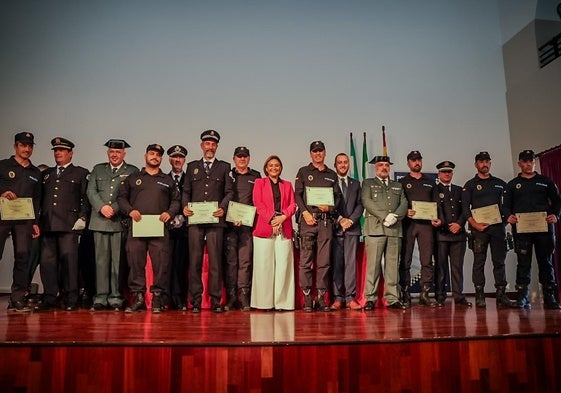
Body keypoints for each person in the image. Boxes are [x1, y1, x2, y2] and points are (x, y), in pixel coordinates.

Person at [118, 144, 180, 313]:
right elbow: (121, 198)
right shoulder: (133, 177)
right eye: (152, 153)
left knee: (161, 264)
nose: (155, 157)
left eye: (158, 155)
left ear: (161, 158)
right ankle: (138, 298)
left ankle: (158, 298)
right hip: (137, 227)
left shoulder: (167, 180)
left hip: (159, 228)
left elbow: (176, 201)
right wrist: (130, 211)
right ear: (145, 155)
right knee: (135, 263)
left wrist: (170, 212)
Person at [36, 137, 90, 311]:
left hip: (69, 225)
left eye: (62, 150)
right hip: (48, 224)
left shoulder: (80, 173)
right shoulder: (46, 174)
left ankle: (71, 297)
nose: (57, 153)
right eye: (55, 150)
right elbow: (39, 200)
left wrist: (82, 218)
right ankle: (50, 297)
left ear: (70, 153)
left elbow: (86, 199)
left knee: (70, 263)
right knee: (47, 263)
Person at [182, 130, 234, 313]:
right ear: (202, 145)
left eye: (213, 144)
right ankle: (195, 301)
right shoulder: (191, 166)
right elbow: (186, 191)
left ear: (217, 147)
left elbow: (229, 192)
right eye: (207, 143)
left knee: (215, 263)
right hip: (195, 221)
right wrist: (184, 207)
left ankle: (215, 301)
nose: (210, 147)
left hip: (215, 222)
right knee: (194, 261)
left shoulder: (225, 167)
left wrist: (223, 207)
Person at [504, 149, 561, 309]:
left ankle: (550, 297)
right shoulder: (512, 185)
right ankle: (522, 297)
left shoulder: (546, 181)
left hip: (543, 229)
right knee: (523, 263)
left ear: (534, 163)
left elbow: (557, 202)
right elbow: (506, 206)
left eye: (531, 161)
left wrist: (555, 215)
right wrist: (509, 216)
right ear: (519, 163)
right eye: (525, 161)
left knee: (546, 262)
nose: (528, 164)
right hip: (522, 231)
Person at [87, 139, 139, 311]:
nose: (114, 155)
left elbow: (131, 195)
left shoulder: (132, 171)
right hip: (100, 221)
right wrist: (102, 207)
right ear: (107, 153)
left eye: (118, 152)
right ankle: (100, 297)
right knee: (100, 261)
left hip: (118, 221)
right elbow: (91, 191)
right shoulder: (98, 169)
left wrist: (114, 208)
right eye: (111, 152)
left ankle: (116, 297)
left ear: (124, 154)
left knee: (117, 261)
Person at [462, 151, 513, 308]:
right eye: (481, 161)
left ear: (490, 163)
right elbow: (465, 209)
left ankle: (501, 295)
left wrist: (504, 223)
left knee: (500, 262)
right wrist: (474, 224)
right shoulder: (470, 185)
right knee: (479, 262)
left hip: (498, 229)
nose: (484, 164)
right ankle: (479, 295)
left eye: (487, 161)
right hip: (479, 230)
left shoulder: (500, 183)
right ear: (476, 164)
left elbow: (507, 206)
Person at [294, 140, 341, 312]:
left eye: (320, 151)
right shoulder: (303, 172)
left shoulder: (332, 174)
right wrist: (305, 213)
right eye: (315, 151)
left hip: (325, 222)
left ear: (325, 153)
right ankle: (307, 297)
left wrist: (330, 208)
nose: (318, 154)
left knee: (324, 262)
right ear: (311, 153)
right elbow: (297, 195)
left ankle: (321, 297)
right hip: (307, 222)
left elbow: (338, 199)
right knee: (305, 262)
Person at [0, 132, 41, 311]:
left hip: (24, 221)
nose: (27, 149)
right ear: (16, 146)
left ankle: (17, 298)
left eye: (30, 146)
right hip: (2, 218)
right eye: (23, 145)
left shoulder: (35, 172)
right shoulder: (2, 166)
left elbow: (37, 199)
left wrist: (35, 221)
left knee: (23, 257)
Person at [362, 155, 408, 310]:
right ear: (375, 167)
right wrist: (385, 216)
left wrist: (395, 216)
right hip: (375, 229)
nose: (384, 167)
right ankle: (370, 298)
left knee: (392, 266)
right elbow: (367, 202)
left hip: (394, 229)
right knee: (373, 267)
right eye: (380, 165)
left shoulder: (397, 185)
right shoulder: (368, 183)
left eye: (386, 165)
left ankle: (392, 298)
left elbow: (404, 203)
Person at [251, 155, 296, 310]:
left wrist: (282, 218)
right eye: (270, 165)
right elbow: (258, 203)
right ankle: (264, 303)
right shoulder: (259, 183)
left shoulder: (288, 185)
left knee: (284, 266)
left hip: (284, 228)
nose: (274, 168)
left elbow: (293, 204)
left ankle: (282, 303)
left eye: (277, 165)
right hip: (264, 228)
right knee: (264, 267)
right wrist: (272, 220)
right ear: (266, 168)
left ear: (280, 167)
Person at [398, 150, 437, 307]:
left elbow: (436, 204)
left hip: (426, 226)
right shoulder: (402, 182)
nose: (417, 163)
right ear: (408, 163)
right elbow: (399, 203)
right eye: (413, 160)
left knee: (426, 260)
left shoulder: (430, 181)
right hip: (409, 224)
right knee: (405, 260)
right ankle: (405, 292)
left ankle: (425, 293)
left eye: (419, 160)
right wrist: (405, 211)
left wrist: (436, 217)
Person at [224, 146, 260, 311]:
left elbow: (258, 201)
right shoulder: (228, 175)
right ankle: (231, 297)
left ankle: (244, 296)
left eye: (245, 156)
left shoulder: (256, 176)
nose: (242, 159)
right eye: (239, 156)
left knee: (245, 262)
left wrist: (247, 219)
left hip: (247, 226)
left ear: (249, 158)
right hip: (229, 226)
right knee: (231, 262)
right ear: (234, 159)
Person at [432, 161, 471, 307]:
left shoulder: (460, 190)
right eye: (444, 172)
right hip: (441, 235)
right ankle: (440, 296)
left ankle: (459, 296)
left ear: (452, 173)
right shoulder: (434, 190)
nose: (447, 174)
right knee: (441, 268)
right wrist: (442, 223)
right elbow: (435, 209)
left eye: (449, 171)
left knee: (457, 268)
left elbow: (465, 210)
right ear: (439, 174)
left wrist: (459, 224)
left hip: (458, 236)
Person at [330, 153, 363, 310]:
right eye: (339, 163)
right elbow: (328, 204)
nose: (343, 165)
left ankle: (350, 298)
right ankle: (337, 298)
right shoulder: (330, 182)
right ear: (335, 165)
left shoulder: (356, 184)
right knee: (336, 264)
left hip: (352, 229)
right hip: (335, 229)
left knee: (350, 265)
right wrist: (340, 219)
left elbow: (360, 205)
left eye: (345, 162)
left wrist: (350, 220)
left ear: (348, 164)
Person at [166, 144, 189, 310]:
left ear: (184, 160)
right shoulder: (164, 179)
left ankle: (180, 297)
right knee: (167, 264)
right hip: (167, 229)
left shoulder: (190, 179)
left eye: (180, 157)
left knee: (182, 264)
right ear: (169, 160)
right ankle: (168, 297)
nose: (177, 160)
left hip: (186, 230)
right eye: (174, 157)